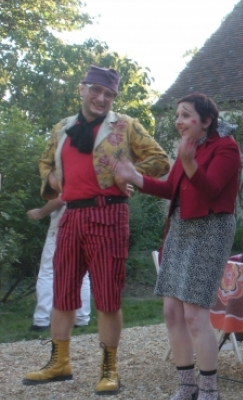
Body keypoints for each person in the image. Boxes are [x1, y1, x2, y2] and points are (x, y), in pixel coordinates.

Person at [23, 65, 170, 395]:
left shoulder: (125, 125)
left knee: (107, 296)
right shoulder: (62, 128)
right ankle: (59, 363)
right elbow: (45, 162)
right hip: (70, 216)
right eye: (96, 90)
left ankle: (109, 369)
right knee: (63, 292)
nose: (101, 98)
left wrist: (130, 172)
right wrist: (50, 178)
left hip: (109, 215)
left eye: (109, 94)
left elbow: (160, 159)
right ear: (82, 89)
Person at [112, 93, 241, 400]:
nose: (178, 121)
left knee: (194, 314)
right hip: (181, 228)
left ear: (206, 121)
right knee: (172, 311)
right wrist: (134, 176)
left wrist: (189, 162)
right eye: (177, 115)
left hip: (211, 229)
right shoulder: (189, 148)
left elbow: (211, 190)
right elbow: (172, 188)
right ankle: (187, 386)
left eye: (185, 115)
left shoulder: (226, 147)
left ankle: (209, 390)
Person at [27, 197, 91, 331]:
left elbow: (61, 198)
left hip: (66, 217)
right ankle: (81, 318)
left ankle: (41, 320)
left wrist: (40, 212)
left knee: (48, 271)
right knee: (82, 272)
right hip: (89, 218)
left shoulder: (66, 181)